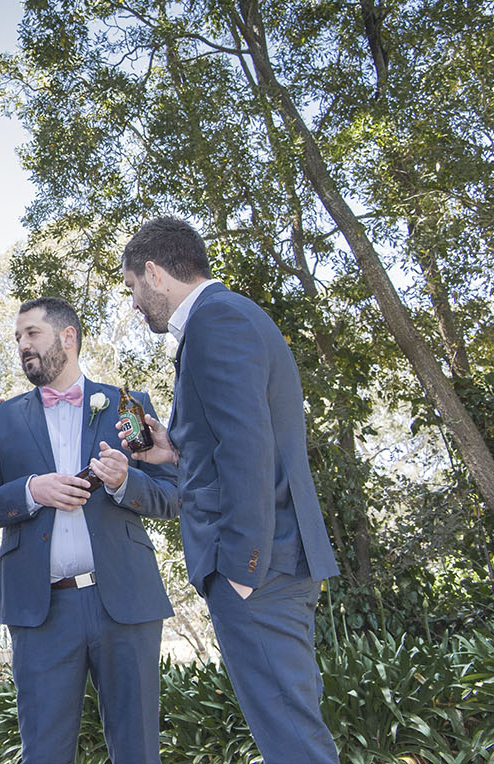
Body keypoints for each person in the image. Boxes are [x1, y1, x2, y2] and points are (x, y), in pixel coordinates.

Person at [118, 216, 340, 763]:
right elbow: (234, 438)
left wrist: (242, 568)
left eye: (132, 289)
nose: (134, 304)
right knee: (291, 728)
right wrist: (173, 450)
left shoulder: (215, 321)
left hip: (258, 569)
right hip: (275, 565)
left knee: (291, 740)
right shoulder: (232, 316)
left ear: (155, 273)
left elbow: (248, 450)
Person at [0, 297, 179, 764]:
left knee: (139, 750)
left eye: (32, 333)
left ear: (68, 338)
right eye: (18, 337)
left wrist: (124, 483)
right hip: (40, 611)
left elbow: (173, 496)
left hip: (125, 602)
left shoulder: (128, 404)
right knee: (44, 752)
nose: (22, 345)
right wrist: (31, 491)